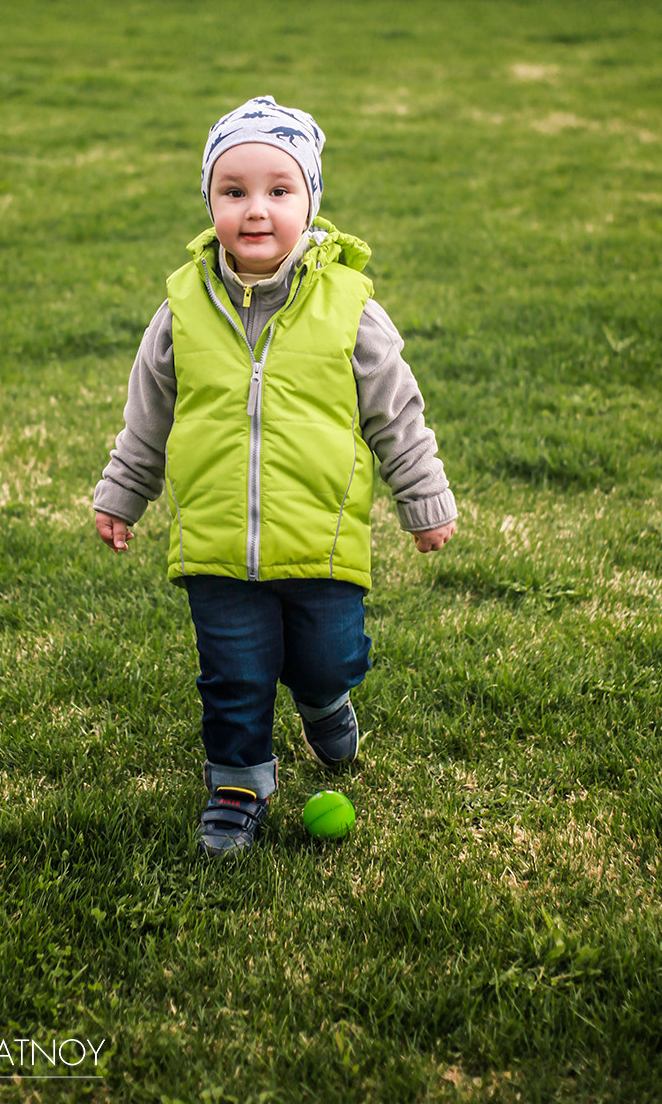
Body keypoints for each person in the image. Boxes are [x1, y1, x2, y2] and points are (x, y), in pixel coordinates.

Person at [94, 96, 457, 856]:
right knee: (234, 673)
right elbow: (148, 414)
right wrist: (123, 493)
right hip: (217, 540)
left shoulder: (349, 306)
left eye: (278, 189)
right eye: (234, 190)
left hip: (321, 537)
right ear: (210, 203)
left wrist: (423, 499)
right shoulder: (182, 307)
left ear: (310, 202)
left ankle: (324, 701)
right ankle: (237, 784)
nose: (255, 209)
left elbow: (397, 412)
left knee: (329, 656)